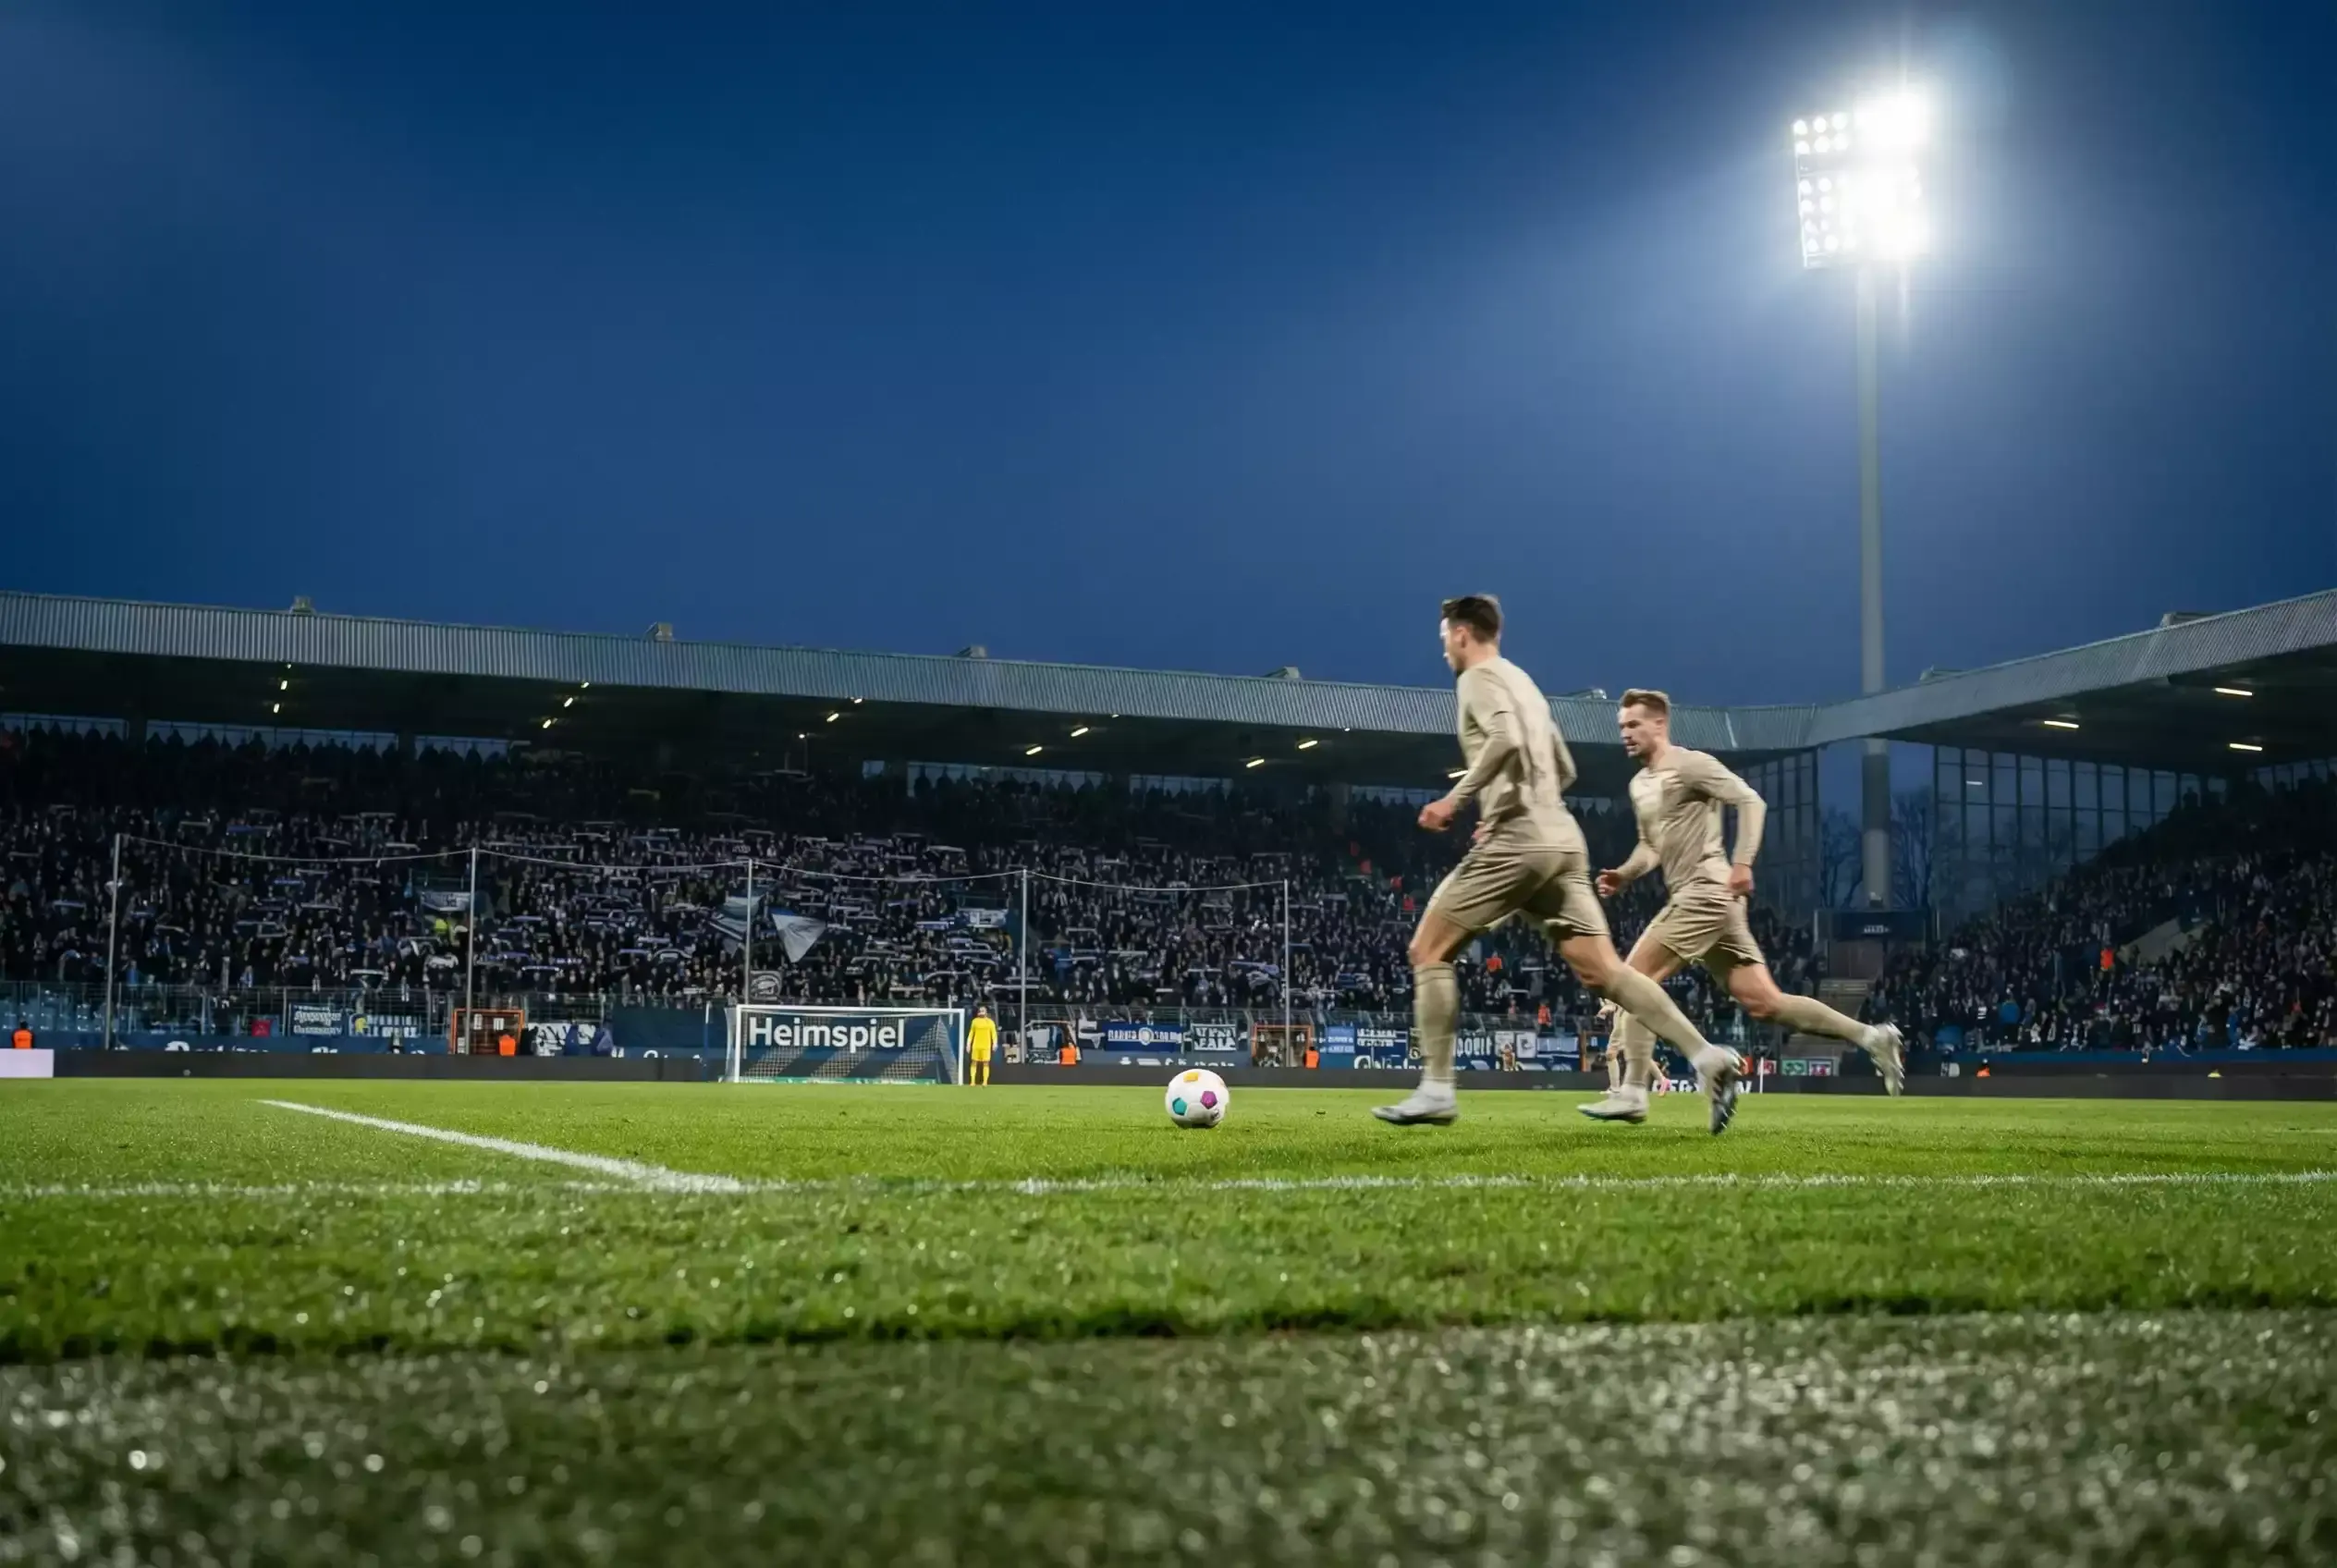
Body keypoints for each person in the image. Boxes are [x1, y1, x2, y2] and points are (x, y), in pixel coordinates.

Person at [1374, 595, 1745, 1132]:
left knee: (1428, 950)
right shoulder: (1525, 684)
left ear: (1461, 635)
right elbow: (1563, 767)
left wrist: (1460, 800)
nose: (1444, 653)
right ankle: (1706, 1055)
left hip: (1519, 837)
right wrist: (1512, 800)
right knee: (1608, 972)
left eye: (1444, 641)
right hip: (1562, 836)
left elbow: (1503, 738)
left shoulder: (1477, 678)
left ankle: (1435, 1089)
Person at [1579, 688, 1904, 1125]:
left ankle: (1635, 1091)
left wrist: (1743, 862)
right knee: (1765, 1003)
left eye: (1634, 724)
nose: (1626, 734)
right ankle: (1871, 1036)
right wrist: (1625, 873)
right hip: (1709, 902)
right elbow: (1649, 846)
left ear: (1660, 724)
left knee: (1632, 980)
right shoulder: (1640, 785)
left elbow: (1751, 801)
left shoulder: (1690, 764)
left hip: (1707, 890)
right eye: (1622, 727)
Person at [967, 1004, 997, 1085]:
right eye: (980, 1011)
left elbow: (993, 1034)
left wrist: (994, 1044)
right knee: (974, 1062)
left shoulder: (990, 1022)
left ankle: (985, 1082)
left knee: (986, 1063)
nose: (981, 1012)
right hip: (976, 1046)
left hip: (986, 1046)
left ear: (986, 1012)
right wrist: (968, 1044)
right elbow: (971, 1033)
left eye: (983, 1011)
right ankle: (972, 1081)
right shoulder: (975, 1021)